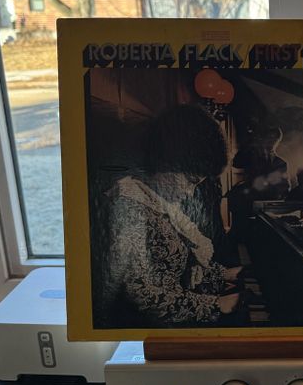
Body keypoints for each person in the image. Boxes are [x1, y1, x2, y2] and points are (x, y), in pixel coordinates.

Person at [98, 104, 242, 327]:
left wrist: (224, 274)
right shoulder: (128, 204)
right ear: (168, 161)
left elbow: (176, 263)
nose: (190, 192)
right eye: (191, 181)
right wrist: (218, 304)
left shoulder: (158, 202)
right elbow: (144, 298)